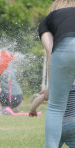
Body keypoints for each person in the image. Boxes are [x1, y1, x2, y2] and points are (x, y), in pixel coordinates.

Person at [38, 0, 75, 147]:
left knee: (55, 107)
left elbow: (51, 53)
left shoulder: (47, 21)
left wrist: (51, 88)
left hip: (64, 51)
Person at [29, 83, 75, 148]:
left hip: (56, 124)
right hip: (72, 124)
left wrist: (32, 110)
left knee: (53, 145)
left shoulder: (53, 87)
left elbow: (38, 99)